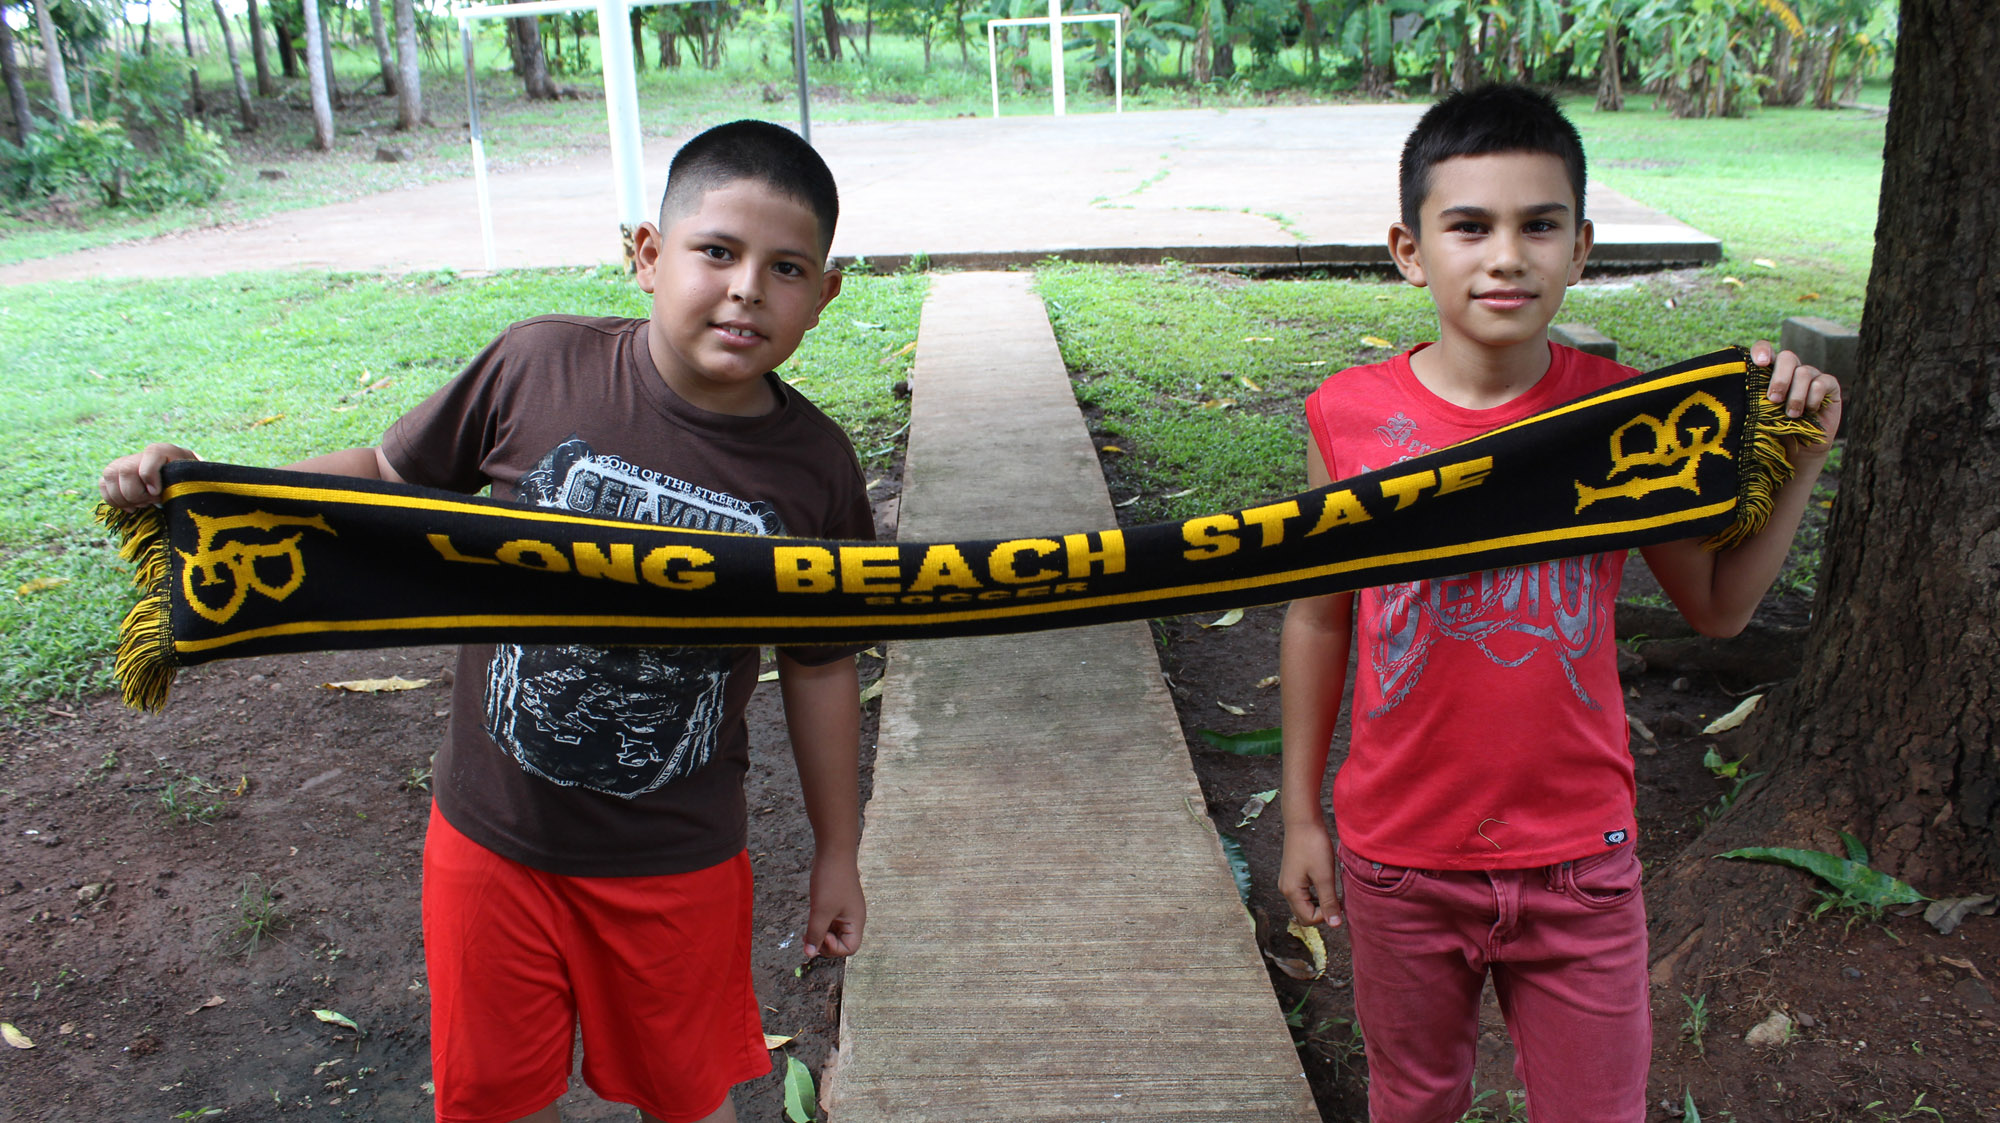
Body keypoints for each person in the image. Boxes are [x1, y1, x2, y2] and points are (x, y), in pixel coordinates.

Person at [100, 119, 873, 1123]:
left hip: (676, 863)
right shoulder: (534, 369)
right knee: (491, 1101)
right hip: (490, 845)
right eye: (716, 251)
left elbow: (818, 666)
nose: (744, 288)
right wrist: (212, 486)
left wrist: (836, 851)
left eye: (785, 268)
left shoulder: (812, 468)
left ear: (823, 293)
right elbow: (384, 480)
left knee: (690, 1099)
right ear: (646, 255)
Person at [1275, 85, 1841, 1123]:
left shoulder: (1626, 421)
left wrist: (1795, 463)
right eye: (1468, 226)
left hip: (1578, 861)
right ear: (1409, 250)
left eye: (1537, 225)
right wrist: (1302, 814)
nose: (1505, 255)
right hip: (1400, 856)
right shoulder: (1345, 416)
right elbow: (1318, 615)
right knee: (1412, 1098)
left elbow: (1713, 609)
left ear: (1579, 246)